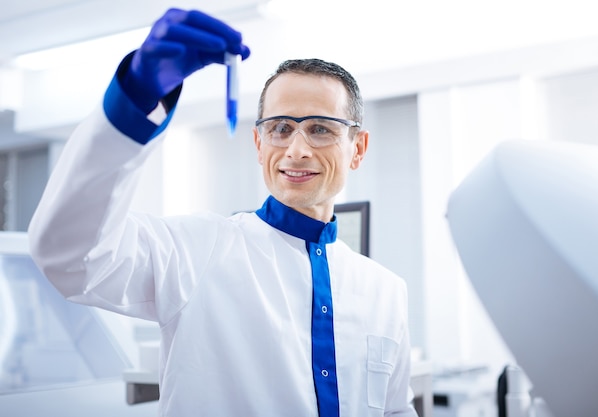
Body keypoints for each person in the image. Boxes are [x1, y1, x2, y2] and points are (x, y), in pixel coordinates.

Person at [28, 8, 418, 417]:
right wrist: (134, 100)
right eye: (280, 128)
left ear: (357, 148)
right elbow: (70, 255)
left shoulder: (386, 291)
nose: (297, 149)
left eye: (320, 128)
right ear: (258, 143)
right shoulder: (197, 252)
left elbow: (395, 410)